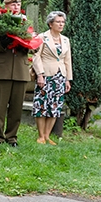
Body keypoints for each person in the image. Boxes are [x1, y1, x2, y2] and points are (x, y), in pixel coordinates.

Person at [0, 0, 31, 148]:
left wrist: (25, 45)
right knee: (0, 107)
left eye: (18, 4)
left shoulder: (25, 23)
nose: (16, 6)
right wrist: (3, 43)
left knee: (16, 107)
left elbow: (33, 45)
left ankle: (12, 137)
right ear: (6, 6)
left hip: (20, 70)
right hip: (2, 69)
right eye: (13, 4)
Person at [31, 11, 73, 144]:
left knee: (55, 106)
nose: (61, 24)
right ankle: (41, 136)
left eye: (63, 22)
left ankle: (48, 136)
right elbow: (36, 56)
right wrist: (40, 74)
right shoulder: (42, 37)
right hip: (46, 75)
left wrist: (68, 79)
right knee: (42, 105)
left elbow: (68, 60)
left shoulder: (66, 40)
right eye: (58, 22)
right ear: (50, 24)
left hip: (60, 76)